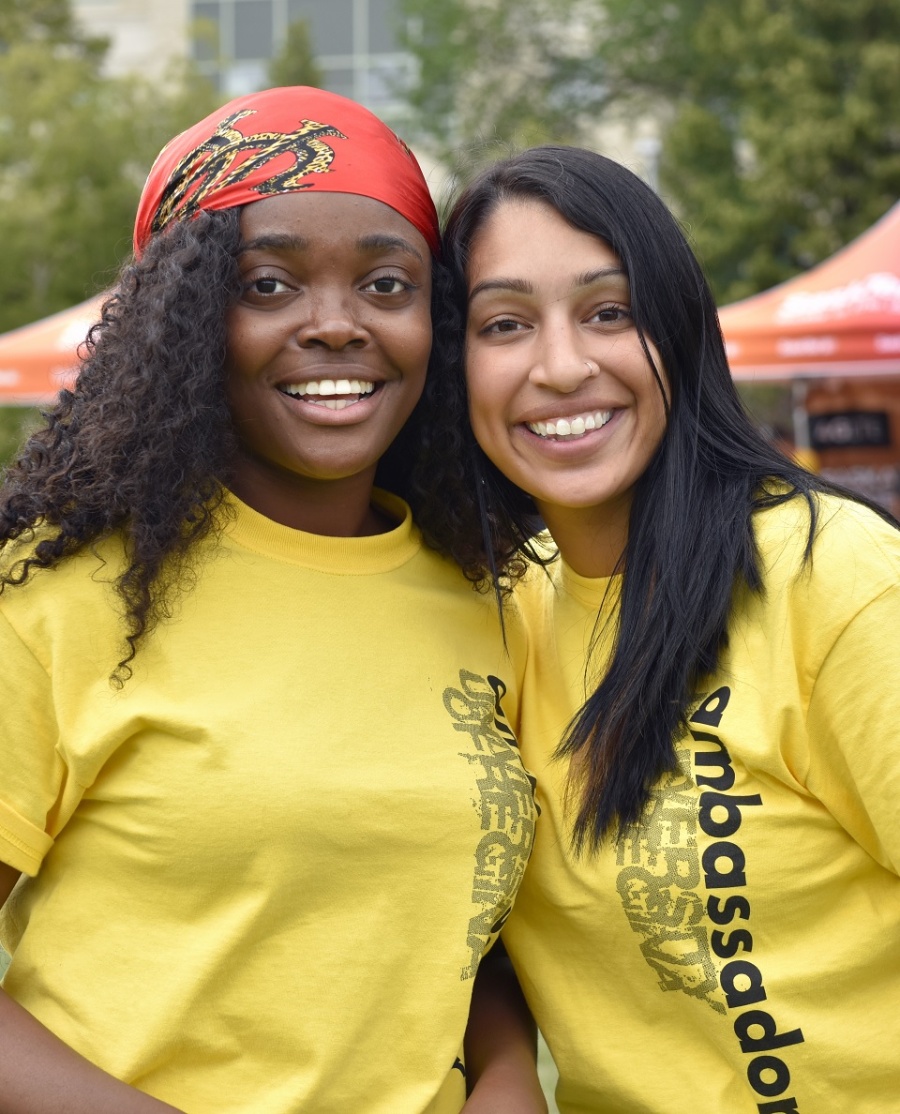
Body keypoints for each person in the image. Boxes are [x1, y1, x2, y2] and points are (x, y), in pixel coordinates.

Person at [0, 88, 542, 1114]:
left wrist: (509, 1078)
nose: (336, 325)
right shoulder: (61, 593)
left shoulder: (493, 592)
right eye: (269, 284)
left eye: (386, 283)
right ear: (188, 320)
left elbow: (446, 920)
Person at [414, 145, 900, 1113]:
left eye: (610, 312)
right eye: (505, 324)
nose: (563, 367)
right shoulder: (491, 617)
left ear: (677, 330)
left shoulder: (832, 576)